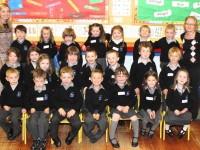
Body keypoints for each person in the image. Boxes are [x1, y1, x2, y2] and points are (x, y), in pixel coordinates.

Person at [50, 66, 83, 147]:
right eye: (64, 77)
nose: (66, 79)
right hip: (60, 109)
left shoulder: (75, 89)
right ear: (60, 77)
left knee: (77, 124)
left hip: (72, 109)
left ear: (72, 78)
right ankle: (55, 138)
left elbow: (79, 101)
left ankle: (71, 135)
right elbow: (54, 100)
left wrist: (74, 110)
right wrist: (59, 108)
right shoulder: (57, 88)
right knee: (54, 120)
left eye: (68, 77)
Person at [108, 66, 139, 148]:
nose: (121, 78)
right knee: (115, 117)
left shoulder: (130, 86)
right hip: (116, 108)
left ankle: (136, 137)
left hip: (127, 108)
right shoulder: (112, 87)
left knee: (135, 118)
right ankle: (112, 137)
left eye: (123, 76)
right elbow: (109, 100)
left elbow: (133, 98)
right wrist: (117, 106)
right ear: (115, 77)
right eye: (119, 76)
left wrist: (128, 106)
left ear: (127, 77)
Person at [25, 69, 51, 150]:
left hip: (44, 110)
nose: (39, 84)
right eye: (37, 81)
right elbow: (26, 100)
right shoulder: (31, 90)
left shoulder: (48, 90)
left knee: (42, 121)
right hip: (35, 110)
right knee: (31, 121)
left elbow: (53, 100)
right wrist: (30, 108)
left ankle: (42, 140)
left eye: (41, 81)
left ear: (45, 81)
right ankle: (36, 139)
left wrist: (49, 107)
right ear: (34, 80)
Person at [180, 16, 200, 119]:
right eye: (187, 23)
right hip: (184, 67)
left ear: (195, 26)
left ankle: (194, 113)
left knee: (193, 90)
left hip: (196, 68)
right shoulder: (182, 36)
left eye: (192, 24)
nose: (189, 26)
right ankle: (185, 110)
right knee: (185, 89)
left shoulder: (199, 37)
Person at [164, 69, 192, 139]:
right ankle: (167, 128)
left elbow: (191, 102)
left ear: (187, 80)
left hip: (184, 111)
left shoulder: (189, 90)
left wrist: (185, 109)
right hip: (173, 110)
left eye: (184, 77)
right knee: (169, 119)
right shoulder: (171, 89)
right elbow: (168, 101)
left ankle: (183, 130)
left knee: (189, 117)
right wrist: (175, 110)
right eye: (180, 76)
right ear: (176, 78)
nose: (182, 79)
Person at [0, 68, 26, 140]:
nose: (14, 79)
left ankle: (16, 132)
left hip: (18, 108)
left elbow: (26, 99)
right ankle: (9, 130)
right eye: (11, 78)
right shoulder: (5, 88)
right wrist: (4, 105)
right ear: (7, 79)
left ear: (18, 77)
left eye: (15, 77)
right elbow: (2, 99)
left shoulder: (22, 87)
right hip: (7, 107)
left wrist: (24, 107)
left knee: (14, 119)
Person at [83, 69, 108, 143]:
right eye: (94, 77)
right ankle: (90, 135)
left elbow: (104, 103)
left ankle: (97, 136)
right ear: (90, 79)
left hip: (101, 110)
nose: (96, 80)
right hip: (90, 110)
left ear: (102, 79)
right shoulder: (88, 90)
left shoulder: (105, 90)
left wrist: (99, 113)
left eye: (98, 78)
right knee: (88, 121)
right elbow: (88, 103)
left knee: (103, 123)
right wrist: (93, 113)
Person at [139, 71, 161, 139]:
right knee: (145, 119)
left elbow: (158, 103)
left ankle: (152, 130)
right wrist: (149, 111)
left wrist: (154, 111)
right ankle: (144, 128)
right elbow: (143, 103)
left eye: (153, 80)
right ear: (146, 81)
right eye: (149, 80)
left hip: (155, 108)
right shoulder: (143, 90)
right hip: (144, 108)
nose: (151, 82)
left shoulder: (158, 90)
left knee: (158, 119)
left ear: (156, 80)